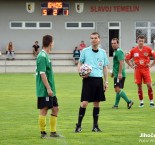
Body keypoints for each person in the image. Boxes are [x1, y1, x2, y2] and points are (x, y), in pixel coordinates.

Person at [75, 32, 109, 133]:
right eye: (92, 38)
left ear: (99, 39)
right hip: (88, 80)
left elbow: (105, 67)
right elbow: (80, 62)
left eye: (95, 38)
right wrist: (80, 72)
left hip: (99, 80)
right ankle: (78, 126)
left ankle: (95, 126)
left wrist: (106, 82)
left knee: (96, 103)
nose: (93, 40)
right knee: (84, 103)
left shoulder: (103, 52)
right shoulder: (85, 51)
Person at [36, 35, 62, 138]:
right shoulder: (42, 56)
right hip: (45, 90)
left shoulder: (46, 55)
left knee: (55, 108)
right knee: (44, 109)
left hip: (51, 89)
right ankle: (43, 133)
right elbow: (42, 74)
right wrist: (48, 88)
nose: (54, 44)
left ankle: (53, 132)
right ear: (50, 42)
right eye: (53, 42)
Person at [125, 35, 155, 107]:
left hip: (146, 69)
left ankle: (151, 101)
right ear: (137, 41)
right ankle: (141, 102)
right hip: (138, 70)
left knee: (149, 85)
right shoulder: (133, 50)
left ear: (144, 41)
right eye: (139, 41)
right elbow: (126, 58)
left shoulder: (148, 49)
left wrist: (151, 65)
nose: (141, 42)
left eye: (142, 41)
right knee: (139, 86)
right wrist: (132, 66)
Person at [110, 38, 134, 109]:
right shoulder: (115, 51)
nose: (113, 45)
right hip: (117, 73)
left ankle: (129, 101)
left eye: (115, 43)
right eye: (112, 43)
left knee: (117, 89)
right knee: (118, 89)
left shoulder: (119, 52)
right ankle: (116, 105)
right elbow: (116, 64)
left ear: (118, 43)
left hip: (119, 74)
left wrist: (119, 73)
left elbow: (121, 63)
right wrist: (113, 73)